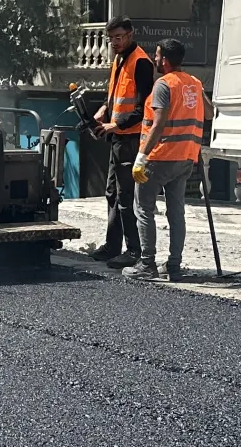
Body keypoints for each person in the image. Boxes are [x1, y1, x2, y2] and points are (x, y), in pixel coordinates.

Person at [128, 38, 207, 280]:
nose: (155, 59)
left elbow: (159, 123)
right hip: (185, 158)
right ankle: (174, 265)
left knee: (143, 209)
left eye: (158, 55)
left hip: (160, 157)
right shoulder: (194, 83)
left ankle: (147, 264)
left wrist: (141, 157)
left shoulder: (164, 85)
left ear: (165, 59)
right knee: (176, 212)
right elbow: (210, 111)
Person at [86, 18, 157, 268]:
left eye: (119, 37)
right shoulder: (118, 60)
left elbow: (142, 108)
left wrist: (114, 125)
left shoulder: (141, 63)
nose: (115, 42)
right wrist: (102, 111)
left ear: (130, 34)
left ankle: (134, 251)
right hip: (118, 136)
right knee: (112, 194)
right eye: (111, 38)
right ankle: (112, 246)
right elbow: (114, 96)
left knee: (126, 196)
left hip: (132, 137)